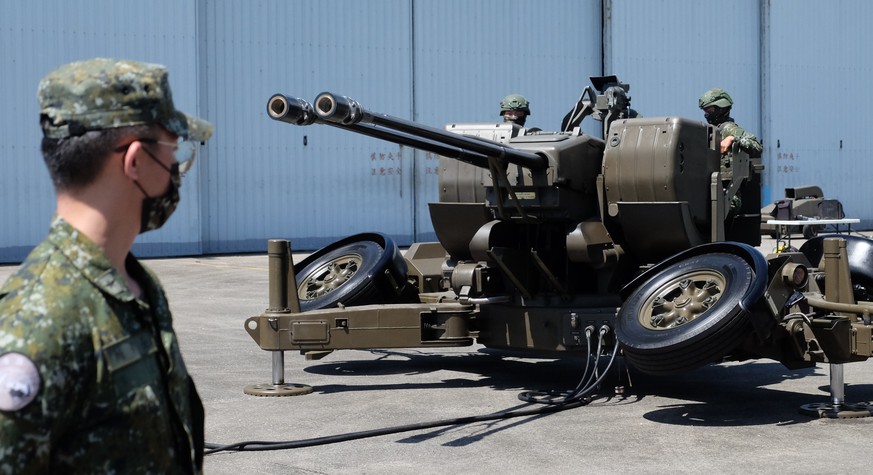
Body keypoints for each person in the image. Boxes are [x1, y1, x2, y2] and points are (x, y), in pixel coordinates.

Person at [0, 58, 212, 473]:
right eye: (173, 150)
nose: (176, 169)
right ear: (134, 161)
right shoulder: (37, 321)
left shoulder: (136, 284)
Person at [698, 87, 763, 158]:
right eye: (705, 111)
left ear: (721, 109)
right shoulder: (711, 129)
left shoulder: (729, 128)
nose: (707, 114)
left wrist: (732, 138)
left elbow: (757, 147)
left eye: (710, 110)